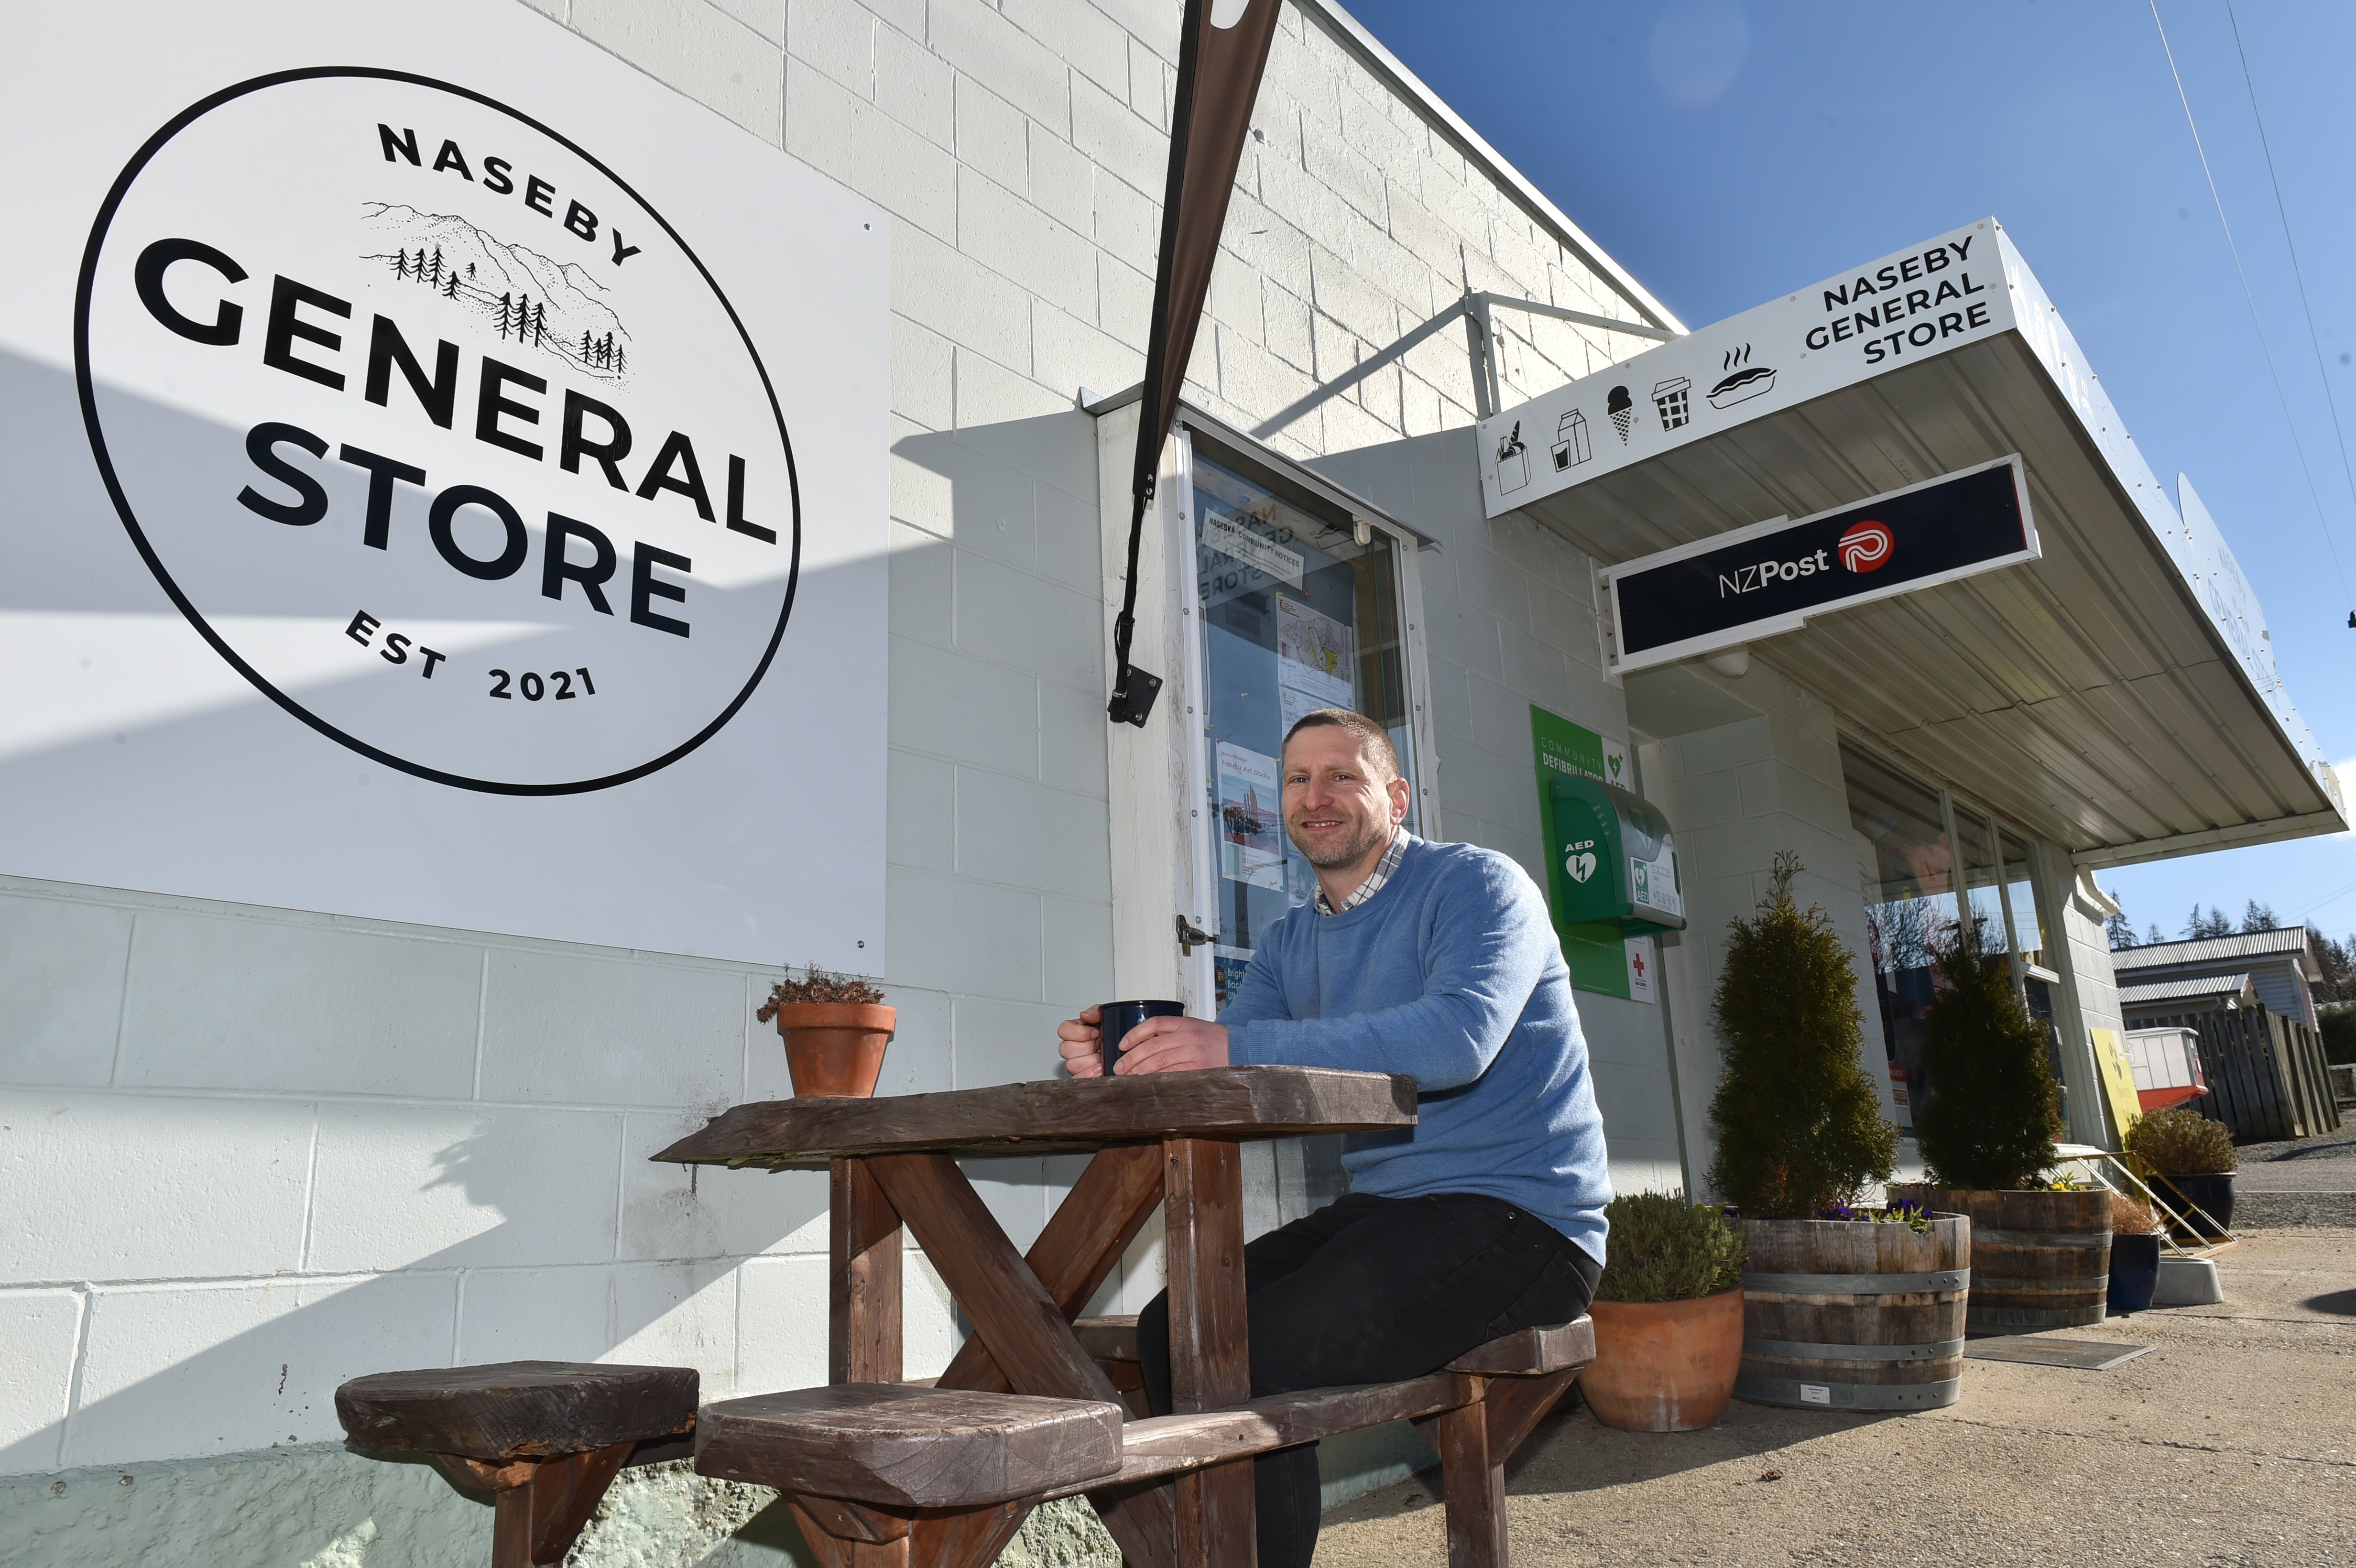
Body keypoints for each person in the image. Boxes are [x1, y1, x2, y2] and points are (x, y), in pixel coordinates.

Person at [1056, 708, 1611, 1568]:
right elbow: (1239, 1080)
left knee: (1257, 1354)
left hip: (1524, 1218)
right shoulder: (1289, 940)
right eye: (1295, 780)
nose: (1315, 797)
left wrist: (1228, 1044)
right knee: (1176, 1328)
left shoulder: (1478, 886)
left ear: (1395, 795)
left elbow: (1457, 1038)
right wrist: (1132, 1066)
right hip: (1389, 1211)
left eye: (1341, 776)